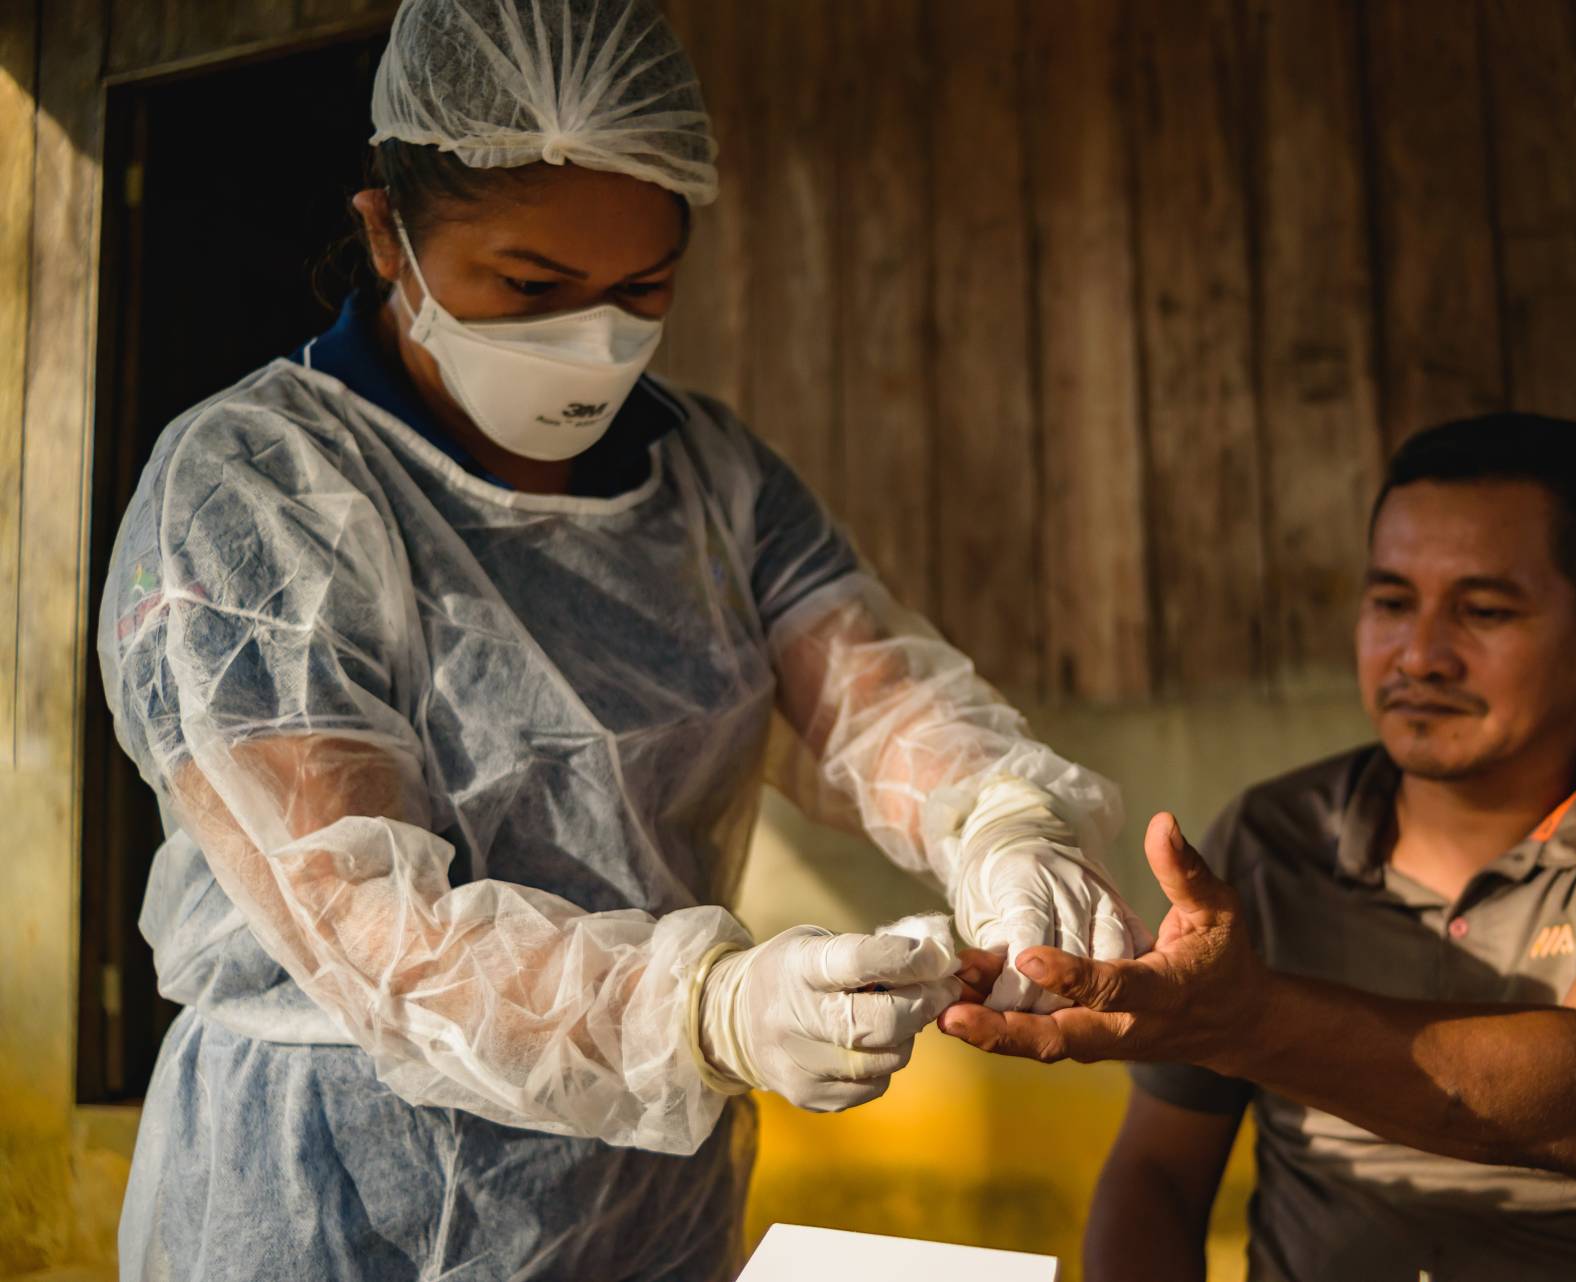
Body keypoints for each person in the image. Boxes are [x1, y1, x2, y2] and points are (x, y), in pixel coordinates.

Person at [102, 2, 1146, 1277]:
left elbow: (880, 705)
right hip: (337, 1200)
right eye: (529, 287)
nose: (591, 339)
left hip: (645, 1204)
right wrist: (704, 1007)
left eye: (642, 288)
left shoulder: (709, 478)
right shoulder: (258, 488)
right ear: (388, 233)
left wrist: (999, 824)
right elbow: (371, 927)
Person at [941, 414, 1576, 1281]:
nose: (1422, 655)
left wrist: (1247, 1020)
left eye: (1483, 610)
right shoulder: (1272, 841)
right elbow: (1157, 1177)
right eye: (1392, 602)